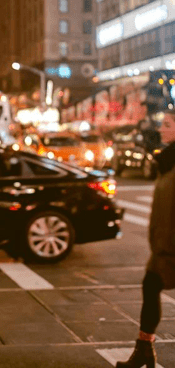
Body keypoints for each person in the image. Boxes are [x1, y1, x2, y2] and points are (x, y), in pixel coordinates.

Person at [116, 111, 175, 368]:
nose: (162, 129)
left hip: (171, 246)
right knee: (150, 286)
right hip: (163, 246)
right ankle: (144, 349)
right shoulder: (167, 161)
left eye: (168, 125)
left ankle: (144, 350)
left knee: (151, 286)